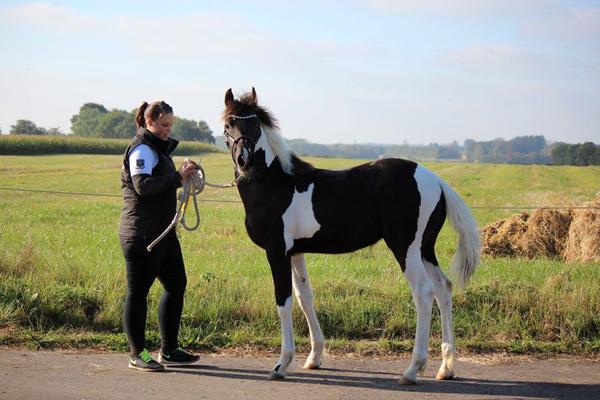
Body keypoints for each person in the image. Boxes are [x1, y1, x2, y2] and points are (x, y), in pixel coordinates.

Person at [119, 100, 200, 372]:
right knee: (138, 293)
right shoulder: (141, 149)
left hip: (163, 233)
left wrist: (182, 175)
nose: (168, 129)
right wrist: (177, 177)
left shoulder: (157, 149)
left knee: (177, 285)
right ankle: (137, 354)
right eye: (164, 124)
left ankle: (169, 349)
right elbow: (143, 186)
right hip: (142, 235)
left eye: (170, 125)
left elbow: (162, 183)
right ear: (149, 121)